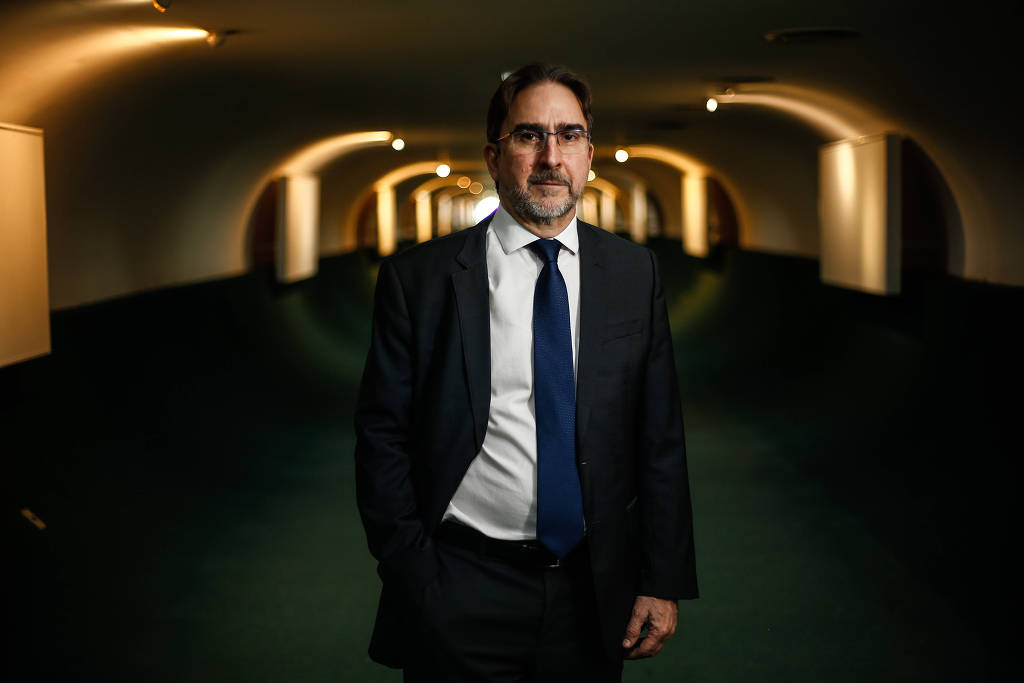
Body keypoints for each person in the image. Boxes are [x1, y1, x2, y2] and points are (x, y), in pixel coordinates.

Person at [354, 63, 697, 682]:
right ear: (494, 155)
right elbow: (382, 436)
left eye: (569, 135)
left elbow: (659, 436)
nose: (551, 156)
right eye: (528, 135)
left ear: (590, 155)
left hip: (593, 587)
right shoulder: (420, 279)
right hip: (461, 583)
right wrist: (414, 572)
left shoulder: (633, 272)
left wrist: (660, 577)